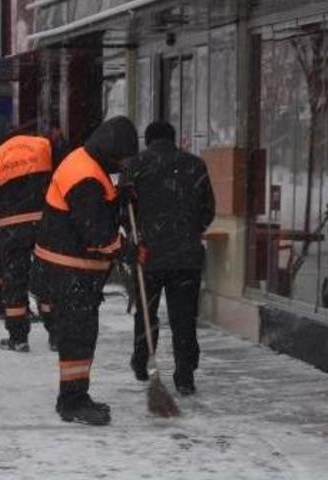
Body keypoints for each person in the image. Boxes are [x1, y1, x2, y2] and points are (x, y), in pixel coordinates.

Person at [30, 116, 138, 426]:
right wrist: (129, 252)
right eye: (120, 158)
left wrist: (119, 198)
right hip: (69, 272)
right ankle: (72, 401)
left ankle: (76, 395)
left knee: (79, 335)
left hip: (65, 269)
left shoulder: (85, 162)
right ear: (111, 151)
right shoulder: (86, 176)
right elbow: (98, 233)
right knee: (78, 337)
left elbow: (96, 211)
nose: (121, 165)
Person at [122, 121, 215, 396]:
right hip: (186, 256)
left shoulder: (135, 166)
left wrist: (136, 234)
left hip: (148, 254)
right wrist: (189, 231)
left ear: (148, 140)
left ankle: (142, 361)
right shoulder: (195, 165)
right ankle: (185, 374)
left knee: (146, 312)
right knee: (184, 316)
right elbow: (208, 209)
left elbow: (124, 210)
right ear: (174, 140)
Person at [0, 132, 53, 353]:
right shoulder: (43, 146)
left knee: (15, 280)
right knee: (47, 277)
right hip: (44, 222)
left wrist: (2, 218)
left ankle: (18, 337)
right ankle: (57, 334)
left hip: (13, 227)